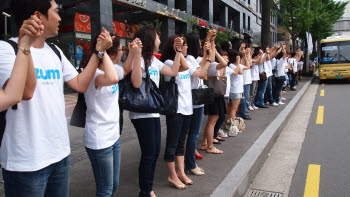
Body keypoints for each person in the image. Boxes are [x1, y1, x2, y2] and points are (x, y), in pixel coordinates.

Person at [0, 0, 112, 196]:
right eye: (56, 12)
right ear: (38, 16)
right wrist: (25, 44)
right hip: (27, 162)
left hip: (60, 154)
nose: (60, 17)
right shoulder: (6, 49)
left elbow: (81, 84)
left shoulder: (55, 52)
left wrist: (98, 51)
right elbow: (25, 92)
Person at [130, 26, 183, 197]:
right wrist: (137, 56)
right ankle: (145, 191)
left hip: (152, 111)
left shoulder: (154, 60)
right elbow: (136, 83)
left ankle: (148, 188)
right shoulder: (137, 58)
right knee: (148, 153)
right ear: (150, 40)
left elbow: (173, 71)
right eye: (157, 37)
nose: (160, 41)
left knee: (153, 152)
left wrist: (178, 52)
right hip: (140, 112)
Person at [83, 34, 136, 197]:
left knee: (113, 185)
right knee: (105, 190)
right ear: (111, 53)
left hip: (113, 136)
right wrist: (102, 49)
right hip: (99, 140)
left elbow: (125, 70)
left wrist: (133, 51)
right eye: (122, 50)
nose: (123, 53)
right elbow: (113, 78)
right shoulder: (94, 74)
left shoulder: (112, 68)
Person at [184, 31, 211, 175]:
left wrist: (208, 52)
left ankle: (190, 162)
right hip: (193, 102)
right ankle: (191, 164)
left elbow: (202, 65)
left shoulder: (193, 58)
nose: (201, 44)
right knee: (193, 134)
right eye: (200, 42)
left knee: (192, 134)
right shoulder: (188, 59)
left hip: (196, 101)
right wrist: (208, 60)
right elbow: (202, 73)